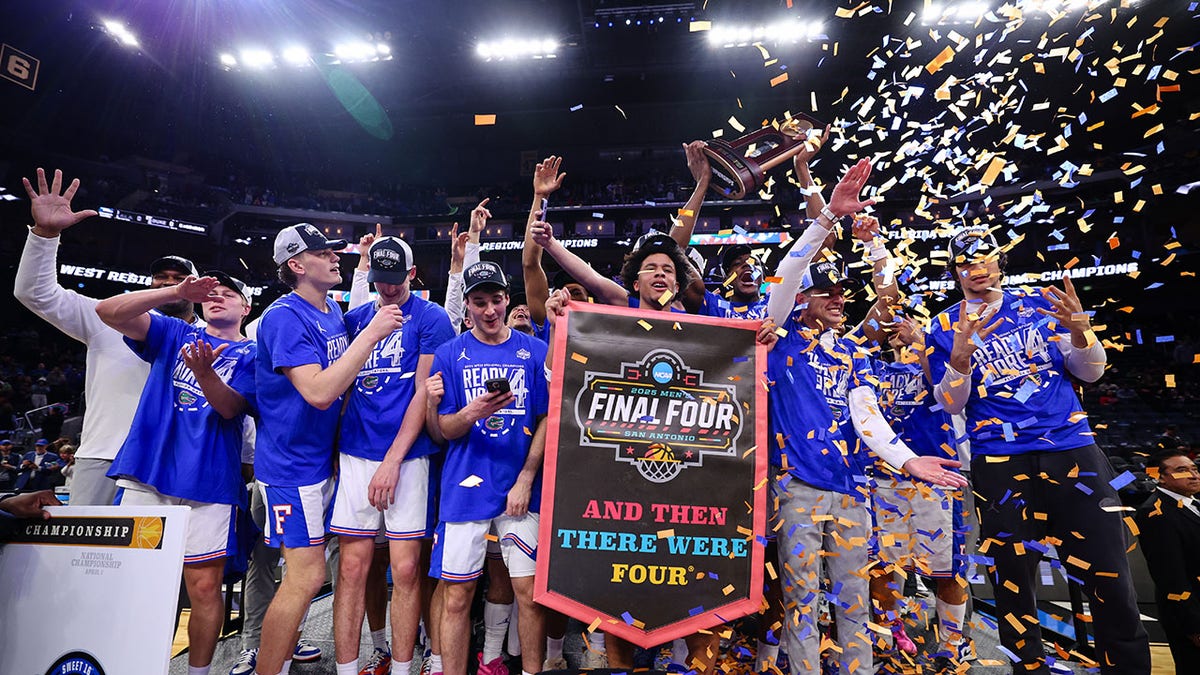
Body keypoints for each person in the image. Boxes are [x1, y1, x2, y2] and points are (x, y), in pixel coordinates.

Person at [763, 159, 967, 675]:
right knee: (802, 601)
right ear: (803, 301)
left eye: (840, 293)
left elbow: (867, 413)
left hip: (854, 489)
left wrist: (906, 460)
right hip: (798, 488)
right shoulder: (781, 341)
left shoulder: (851, 354)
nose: (837, 298)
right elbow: (784, 278)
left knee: (854, 602)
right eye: (825, 292)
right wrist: (827, 217)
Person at [927, 226, 1151, 674]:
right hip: (998, 461)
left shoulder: (1040, 305)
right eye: (964, 264)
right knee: (1012, 582)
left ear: (999, 261)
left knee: (1109, 572)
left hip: (1072, 451)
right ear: (954, 272)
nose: (975, 270)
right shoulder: (943, 324)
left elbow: (1090, 374)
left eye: (982, 259)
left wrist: (1082, 332)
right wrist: (959, 360)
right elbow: (950, 402)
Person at [253, 223, 402, 675]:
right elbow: (318, 392)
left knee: (312, 574)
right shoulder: (284, 315)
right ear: (295, 265)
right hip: (289, 467)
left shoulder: (329, 313)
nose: (335, 257)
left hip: (318, 462)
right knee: (307, 576)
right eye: (323, 253)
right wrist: (371, 336)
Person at [96, 269, 257, 675]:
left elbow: (231, 409)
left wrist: (204, 374)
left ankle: (198, 673)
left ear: (246, 306)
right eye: (211, 293)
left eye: (228, 293)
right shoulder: (175, 332)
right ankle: (133, 666)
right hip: (149, 474)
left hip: (210, 480)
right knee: (137, 584)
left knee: (204, 589)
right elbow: (107, 310)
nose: (217, 297)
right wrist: (175, 291)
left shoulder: (255, 355)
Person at [15, 168, 201, 506]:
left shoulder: (211, 337)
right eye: (160, 277)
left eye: (178, 278)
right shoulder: (108, 316)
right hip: (104, 455)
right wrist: (44, 234)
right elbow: (34, 293)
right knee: (85, 556)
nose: (168, 283)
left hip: (176, 461)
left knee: (163, 558)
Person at [331, 236, 454, 675]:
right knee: (352, 568)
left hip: (409, 455)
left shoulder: (433, 318)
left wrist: (392, 461)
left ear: (412, 274)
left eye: (395, 280)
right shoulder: (354, 320)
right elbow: (343, 387)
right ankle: (348, 667)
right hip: (356, 451)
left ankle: (403, 667)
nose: (386, 289)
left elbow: (423, 393)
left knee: (405, 569)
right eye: (379, 280)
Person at [426, 261, 551, 675]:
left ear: (507, 300)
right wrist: (473, 411)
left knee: (529, 595)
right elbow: (443, 430)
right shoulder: (449, 353)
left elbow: (548, 419)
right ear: (467, 307)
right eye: (480, 302)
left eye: (496, 300)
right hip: (465, 487)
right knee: (457, 597)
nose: (490, 310)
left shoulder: (535, 351)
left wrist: (527, 476)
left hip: (520, 487)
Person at [869, 316, 972, 669]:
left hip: (937, 478)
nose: (897, 328)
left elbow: (950, 394)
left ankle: (952, 642)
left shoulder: (936, 356)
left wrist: (922, 341)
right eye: (891, 322)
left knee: (947, 569)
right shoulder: (872, 365)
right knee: (882, 565)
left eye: (905, 321)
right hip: (884, 477)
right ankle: (890, 631)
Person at [1135, 450, 1200, 674]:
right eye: (1181, 470)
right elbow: (1170, 575)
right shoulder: (1155, 513)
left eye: (1194, 469)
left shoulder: (1193, 503)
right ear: (1160, 477)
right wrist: (1193, 625)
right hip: (1191, 611)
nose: (1193, 475)